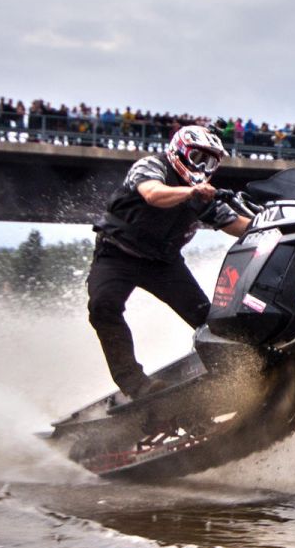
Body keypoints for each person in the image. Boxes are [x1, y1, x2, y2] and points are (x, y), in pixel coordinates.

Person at [86, 124, 250, 399]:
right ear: (181, 151)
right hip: (116, 255)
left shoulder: (202, 193)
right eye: (199, 158)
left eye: (211, 161)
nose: (204, 167)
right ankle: (136, 386)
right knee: (103, 306)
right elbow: (153, 194)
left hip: (163, 263)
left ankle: (236, 371)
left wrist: (280, 227)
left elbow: (235, 224)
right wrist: (190, 193)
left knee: (208, 320)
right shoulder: (152, 167)